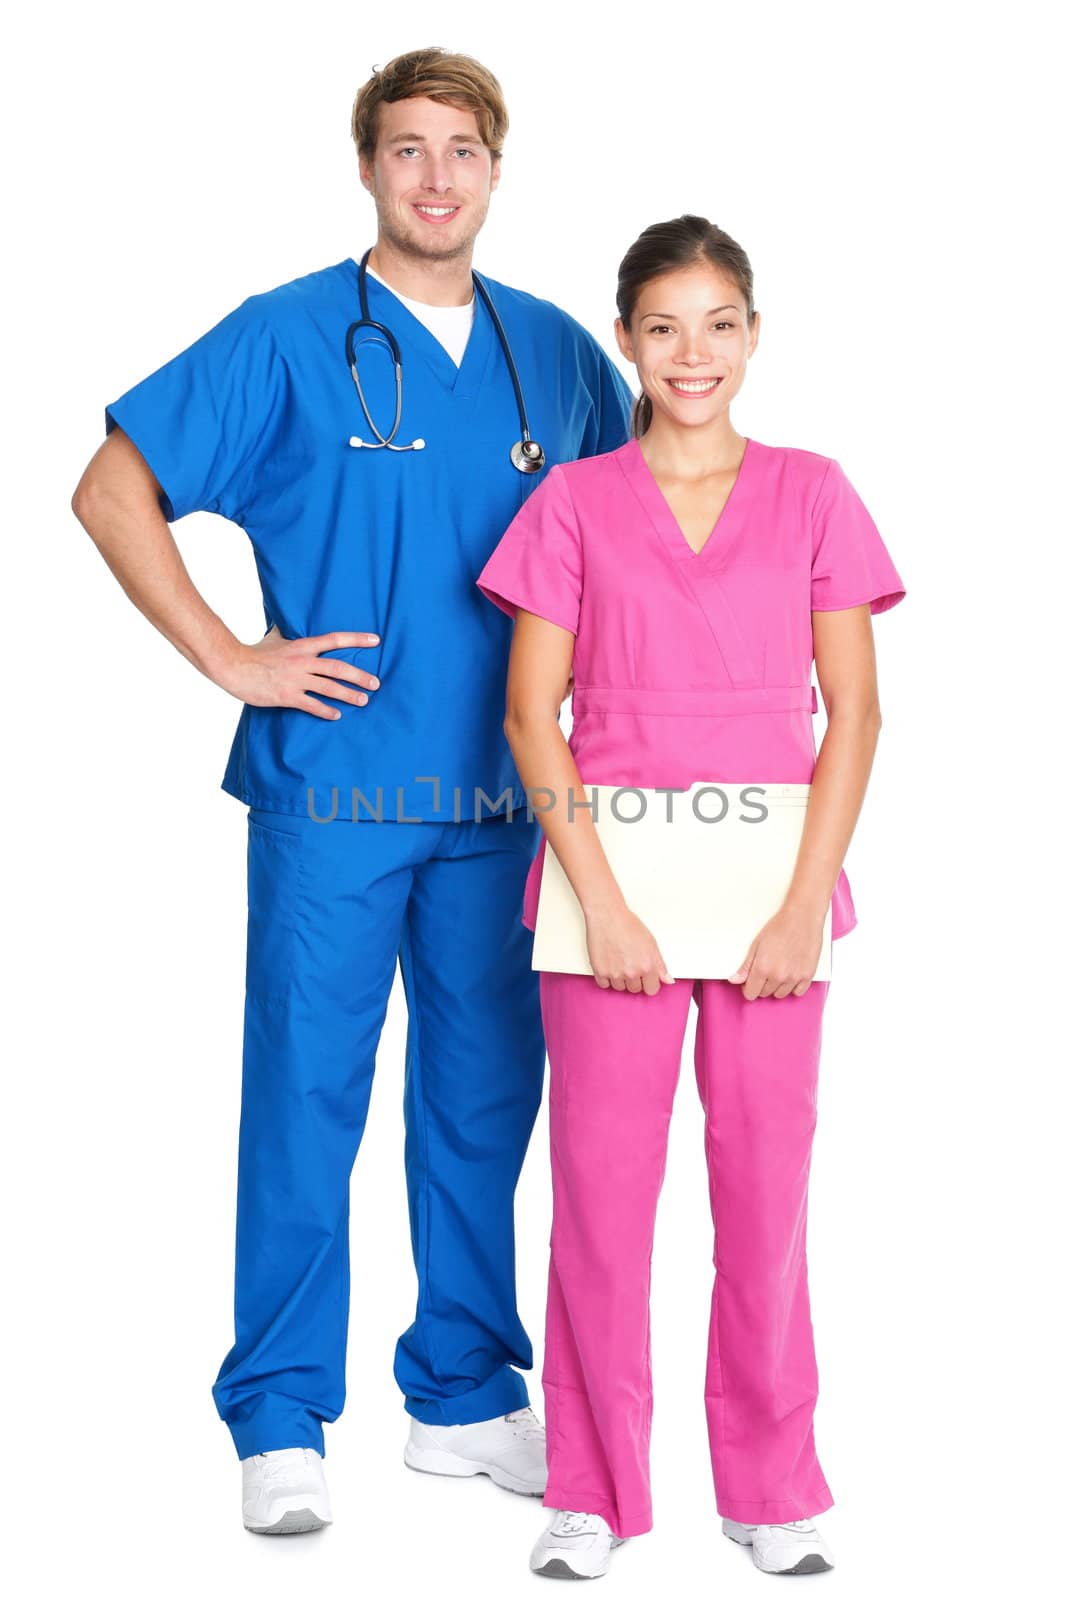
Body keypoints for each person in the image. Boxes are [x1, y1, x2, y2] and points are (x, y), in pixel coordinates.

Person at [70, 46, 632, 1535]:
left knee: (482, 1100)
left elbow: (634, 547)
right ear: (369, 166)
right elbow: (110, 488)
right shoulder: (289, 336)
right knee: (307, 1096)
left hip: (510, 803)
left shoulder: (562, 358)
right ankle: (277, 1412)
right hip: (337, 791)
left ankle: (460, 1394)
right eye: (408, 149)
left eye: (464, 149)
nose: (437, 176)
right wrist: (232, 657)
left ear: (499, 170)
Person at [475, 214, 906, 1578]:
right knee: (602, 1202)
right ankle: (592, 1492)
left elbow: (858, 714)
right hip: (610, 890)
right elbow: (532, 718)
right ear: (627, 342)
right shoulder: (576, 503)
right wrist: (600, 901)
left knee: (764, 1196)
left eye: (720, 322)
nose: (693, 352)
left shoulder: (816, 492)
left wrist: (800, 904)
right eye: (663, 326)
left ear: (756, 334)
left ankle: (771, 1485)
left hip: (772, 887)